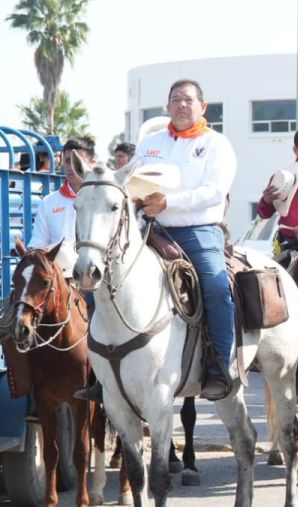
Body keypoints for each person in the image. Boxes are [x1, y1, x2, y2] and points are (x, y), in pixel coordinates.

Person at [78, 79, 238, 401]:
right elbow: (133, 182)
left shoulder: (216, 144)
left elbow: (214, 192)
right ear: (167, 106)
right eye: (175, 99)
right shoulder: (151, 142)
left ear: (202, 107)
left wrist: (170, 202)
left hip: (199, 231)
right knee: (100, 283)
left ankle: (222, 366)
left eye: (188, 100)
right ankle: (103, 372)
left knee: (217, 288)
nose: (181, 105)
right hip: (150, 228)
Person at [30, 136, 93, 277]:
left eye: (78, 161)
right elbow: (38, 243)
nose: (72, 167)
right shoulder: (48, 202)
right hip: (60, 281)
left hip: (94, 279)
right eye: (67, 161)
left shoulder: (102, 201)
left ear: (92, 164)